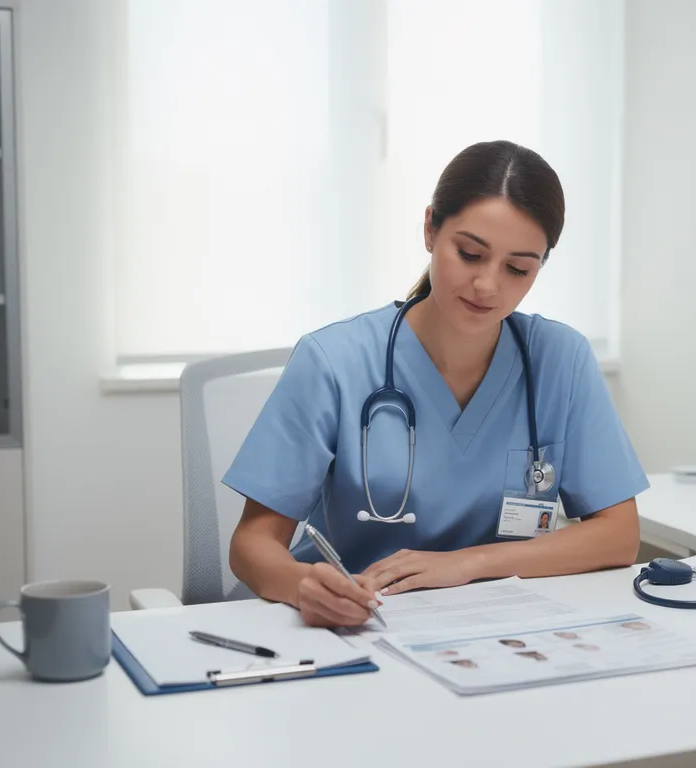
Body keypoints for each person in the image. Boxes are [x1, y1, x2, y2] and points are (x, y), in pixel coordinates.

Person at [224, 140, 649, 628]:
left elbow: (619, 535)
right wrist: (304, 587)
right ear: (430, 229)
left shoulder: (561, 360)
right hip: (361, 623)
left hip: (496, 630)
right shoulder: (335, 360)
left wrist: (466, 565)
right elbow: (252, 544)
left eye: (517, 268)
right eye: (469, 254)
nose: (487, 285)